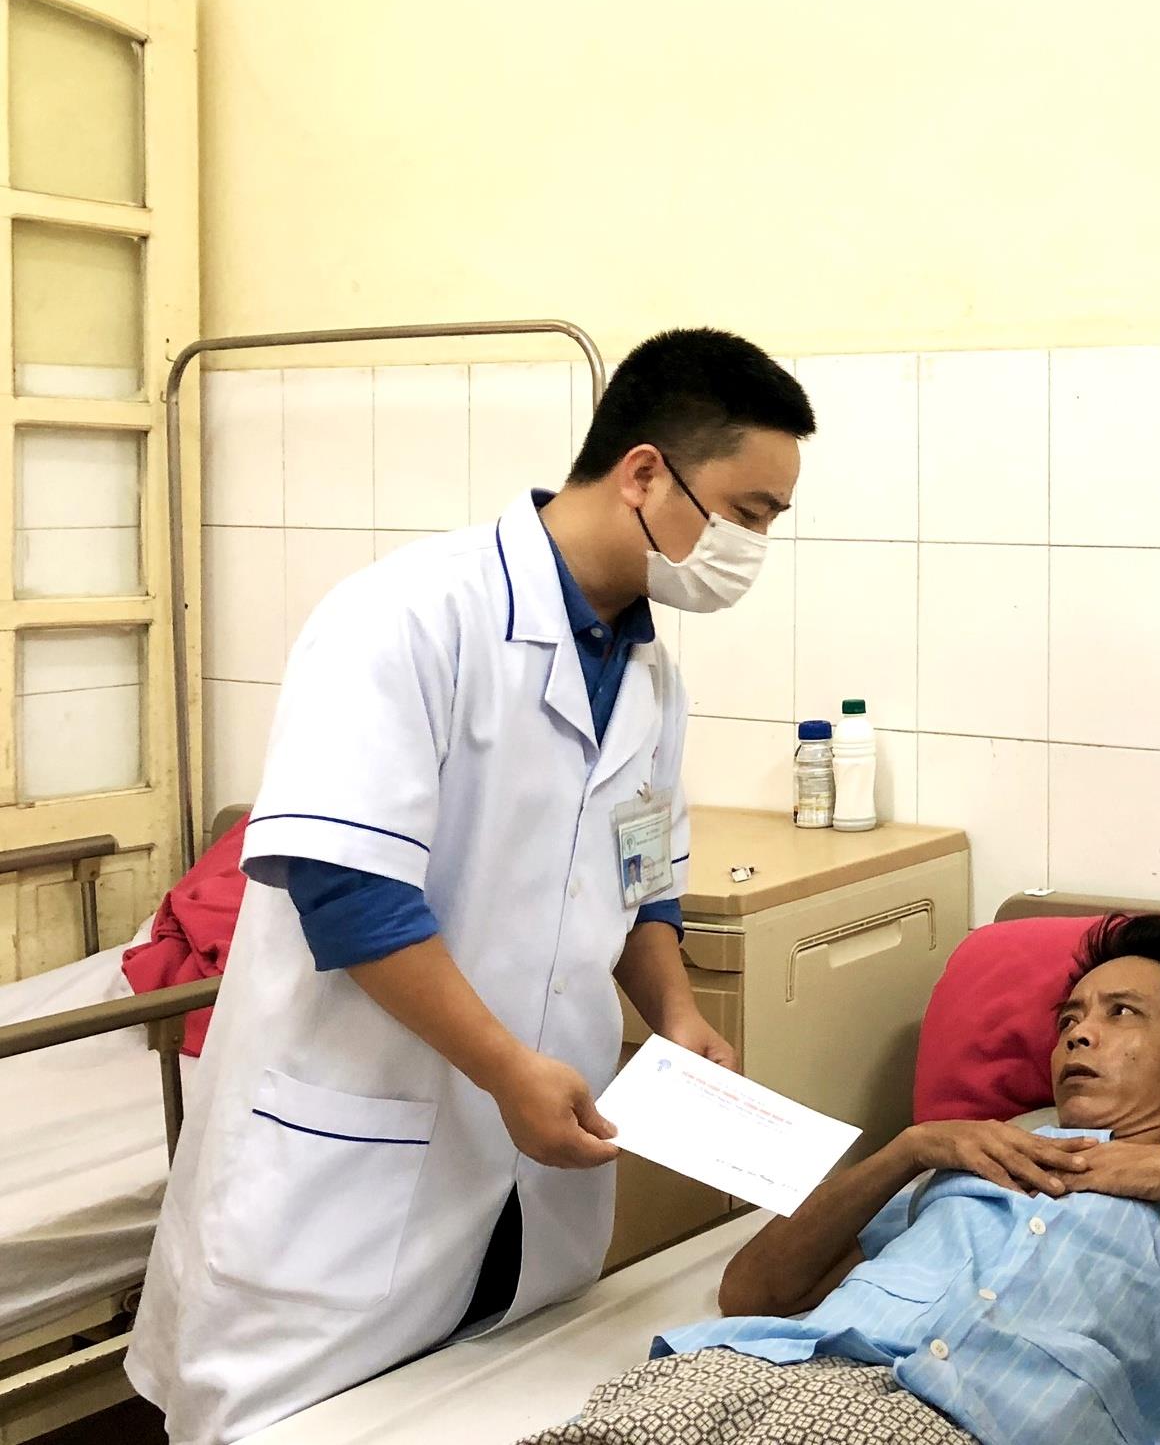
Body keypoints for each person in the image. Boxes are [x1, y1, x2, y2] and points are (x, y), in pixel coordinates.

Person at [129, 329, 815, 1443]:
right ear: (644, 472)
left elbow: (643, 881)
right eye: (746, 513)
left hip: (528, 1191)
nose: (752, 549)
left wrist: (676, 1013)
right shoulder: (404, 614)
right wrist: (506, 1070)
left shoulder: (648, 672)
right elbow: (349, 892)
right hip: (348, 1184)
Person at [535, 914, 1160, 1445]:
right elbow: (753, 1293)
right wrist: (910, 1150)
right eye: (1069, 1019)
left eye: (1120, 1014)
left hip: (968, 1425)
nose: (1078, 1036)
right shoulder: (971, 1161)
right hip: (751, 1377)